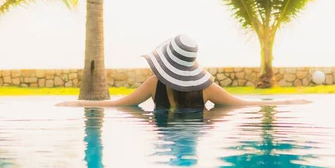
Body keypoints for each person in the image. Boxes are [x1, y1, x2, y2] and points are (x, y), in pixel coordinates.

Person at [57, 35, 310, 108]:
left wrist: (76, 104)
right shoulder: (207, 90)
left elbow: (117, 105)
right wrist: (289, 101)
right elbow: (246, 104)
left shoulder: (154, 84)